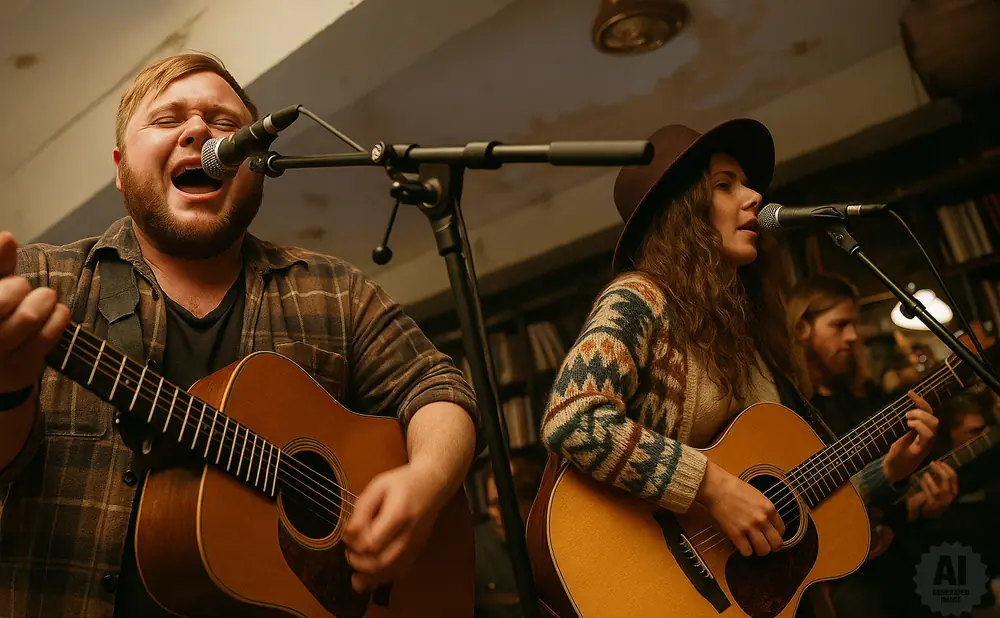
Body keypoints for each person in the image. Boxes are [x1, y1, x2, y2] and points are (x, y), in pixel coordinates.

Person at [0, 53, 479, 618]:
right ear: (120, 165)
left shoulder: (332, 291)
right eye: (166, 119)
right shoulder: (38, 283)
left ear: (257, 160)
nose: (199, 131)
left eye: (225, 124)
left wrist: (425, 484)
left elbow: (438, 384)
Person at [539, 120, 939, 578]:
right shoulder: (638, 299)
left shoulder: (750, 334)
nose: (753, 197)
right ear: (682, 214)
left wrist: (889, 475)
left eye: (747, 184)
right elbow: (573, 418)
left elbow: (785, 506)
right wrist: (711, 487)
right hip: (652, 574)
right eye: (725, 185)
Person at [786, 273, 960, 618]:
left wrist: (925, 504)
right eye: (839, 325)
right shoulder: (786, 409)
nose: (852, 337)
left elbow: (893, 501)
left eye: (854, 324)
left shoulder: (873, 401)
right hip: (840, 581)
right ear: (803, 328)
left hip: (898, 560)